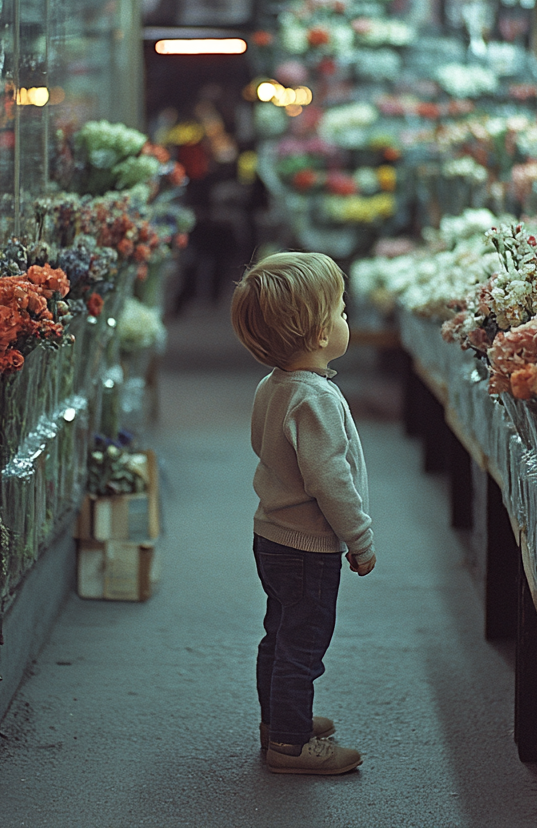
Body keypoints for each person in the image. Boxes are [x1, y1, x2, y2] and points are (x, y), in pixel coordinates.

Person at [231, 251, 375, 775]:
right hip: (308, 546)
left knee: (280, 632)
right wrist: (360, 539)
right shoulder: (316, 398)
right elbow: (331, 482)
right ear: (318, 334)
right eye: (340, 311)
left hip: (271, 534)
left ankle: (279, 719)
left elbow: (264, 450)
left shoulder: (273, 385)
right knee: (304, 645)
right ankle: (290, 745)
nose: (345, 320)